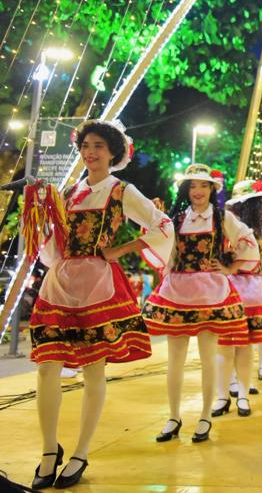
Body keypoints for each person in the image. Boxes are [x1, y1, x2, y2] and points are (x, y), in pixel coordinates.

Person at [26, 119, 173, 489]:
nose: (90, 152)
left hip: (98, 284)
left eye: (99, 147)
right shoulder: (69, 192)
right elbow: (50, 245)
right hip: (60, 283)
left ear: (113, 153)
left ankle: (81, 451)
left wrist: (119, 250)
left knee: (93, 371)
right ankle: (48, 450)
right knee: (47, 367)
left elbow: (163, 226)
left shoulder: (122, 191)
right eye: (86, 146)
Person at [142, 164, 254, 444]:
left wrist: (229, 268)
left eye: (203, 185)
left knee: (208, 359)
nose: (198, 191)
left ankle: (204, 416)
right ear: (186, 190)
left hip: (209, 291)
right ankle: (173, 417)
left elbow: (248, 241)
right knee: (175, 361)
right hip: (178, 290)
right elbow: (161, 247)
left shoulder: (222, 217)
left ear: (212, 189)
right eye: (192, 186)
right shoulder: (177, 218)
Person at [218, 179, 262, 413]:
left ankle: (231, 389)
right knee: (244, 346)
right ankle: (240, 390)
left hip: (231, 289)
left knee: (228, 346)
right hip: (255, 291)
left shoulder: (226, 228)